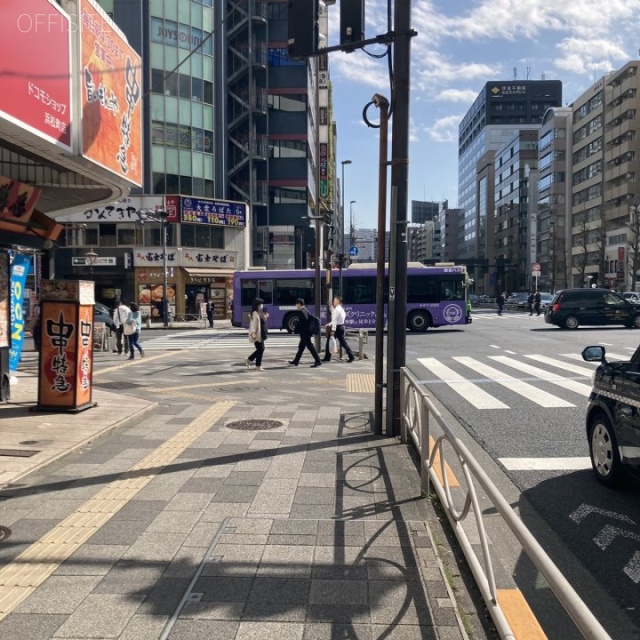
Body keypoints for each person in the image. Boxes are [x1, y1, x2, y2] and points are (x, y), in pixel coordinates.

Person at [288, 298, 322, 368]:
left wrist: (295, 330)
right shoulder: (305, 311)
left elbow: (301, 323)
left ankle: (318, 360)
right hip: (305, 333)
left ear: (299, 304)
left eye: (296, 304)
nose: (296, 306)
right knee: (301, 347)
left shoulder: (302, 311)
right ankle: (296, 361)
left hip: (305, 333)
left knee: (310, 347)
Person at [323, 295, 354, 363]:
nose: (333, 301)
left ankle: (327, 357)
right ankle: (351, 356)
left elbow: (335, 320)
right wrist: (329, 324)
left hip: (336, 328)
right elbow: (335, 317)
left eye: (334, 300)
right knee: (342, 343)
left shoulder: (337, 309)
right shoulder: (341, 309)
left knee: (329, 342)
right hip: (340, 327)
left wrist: (333, 330)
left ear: (338, 301)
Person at [246, 298, 268, 371]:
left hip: (261, 334)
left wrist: (265, 316)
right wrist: (253, 333)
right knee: (261, 349)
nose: (262, 305)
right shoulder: (255, 313)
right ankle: (257, 365)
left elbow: (263, 321)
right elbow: (253, 324)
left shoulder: (259, 312)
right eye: (261, 304)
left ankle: (249, 359)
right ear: (257, 305)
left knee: (260, 349)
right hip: (257, 334)